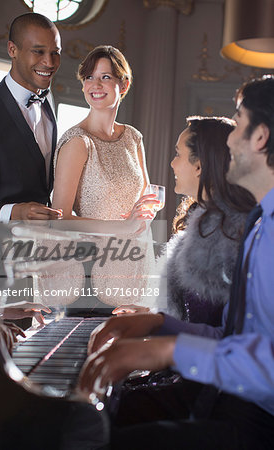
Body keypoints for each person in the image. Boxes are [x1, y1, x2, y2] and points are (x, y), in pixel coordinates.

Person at [79, 76, 274, 450]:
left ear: (260, 137)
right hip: (231, 403)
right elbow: (232, 340)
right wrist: (155, 323)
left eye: (239, 122)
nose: (230, 139)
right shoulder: (258, 224)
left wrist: (165, 349)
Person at [113, 117, 255, 326]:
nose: (172, 163)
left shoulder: (226, 235)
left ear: (199, 165)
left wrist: (154, 324)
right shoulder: (206, 222)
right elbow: (182, 309)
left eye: (178, 154)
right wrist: (148, 312)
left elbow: (209, 326)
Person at [51, 45, 155, 234]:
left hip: (139, 248)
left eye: (105, 77)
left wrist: (144, 216)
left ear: (124, 84)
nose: (95, 85)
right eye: (89, 77)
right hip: (99, 254)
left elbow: (145, 199)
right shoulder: (78, 142)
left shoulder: (133, 137)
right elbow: (60, 219)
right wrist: (123, 227)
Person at [0, 12, 62, 221]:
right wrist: (14, 212)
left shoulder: (47, 103)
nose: (49, 62)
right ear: (12, 50)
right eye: (38, 51)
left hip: (38, 248)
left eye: (55, 52)